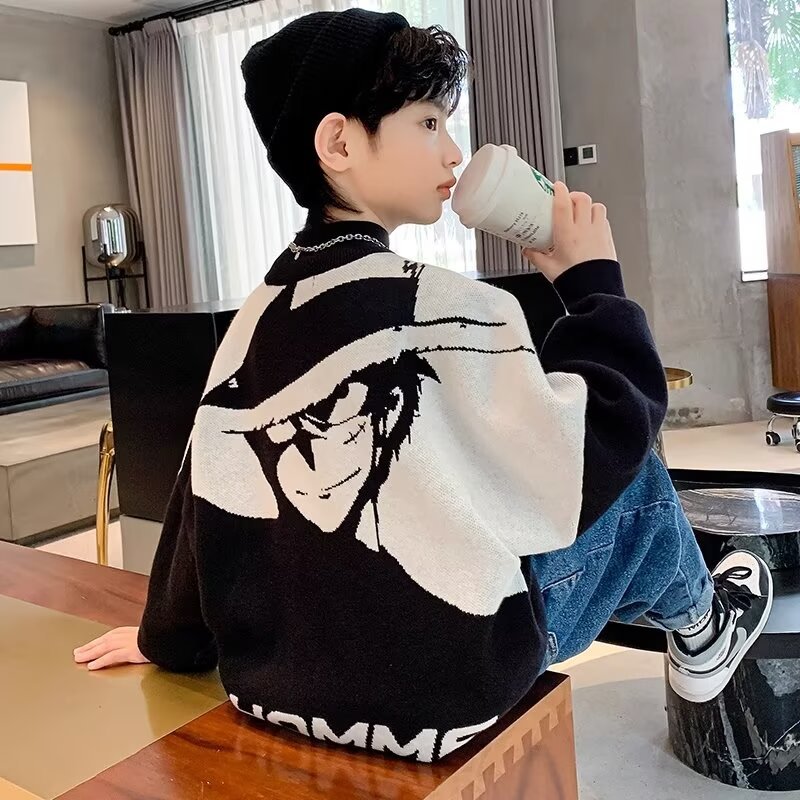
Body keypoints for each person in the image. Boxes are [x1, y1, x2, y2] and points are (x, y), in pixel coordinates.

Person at [74, 9, 773, 763]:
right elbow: (600, 441)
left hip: (277, 687)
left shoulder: (255, 316)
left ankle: (688, 614)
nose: (453, 151)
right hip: (449, 692)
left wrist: (167, 637)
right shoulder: (443, 305)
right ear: (340, 143)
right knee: (640, 485)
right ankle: (704, 627)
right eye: (429, 122)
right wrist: (593, 284)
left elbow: (201, 494)